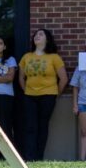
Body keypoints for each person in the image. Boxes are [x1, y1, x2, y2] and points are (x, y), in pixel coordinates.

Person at [18, 28, 67, 160]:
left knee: (42, 126)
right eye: (35, 35)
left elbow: (63, 79)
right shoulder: (26, 57)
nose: (37, 36)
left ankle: (39, 158)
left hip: (48, 96)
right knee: (30, 127)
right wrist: (26, 91)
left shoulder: (54, 57)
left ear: (47, 39)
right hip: (29, 96)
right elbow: (21, 78)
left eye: (41, 34)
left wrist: (56, 94)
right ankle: (29, 157)